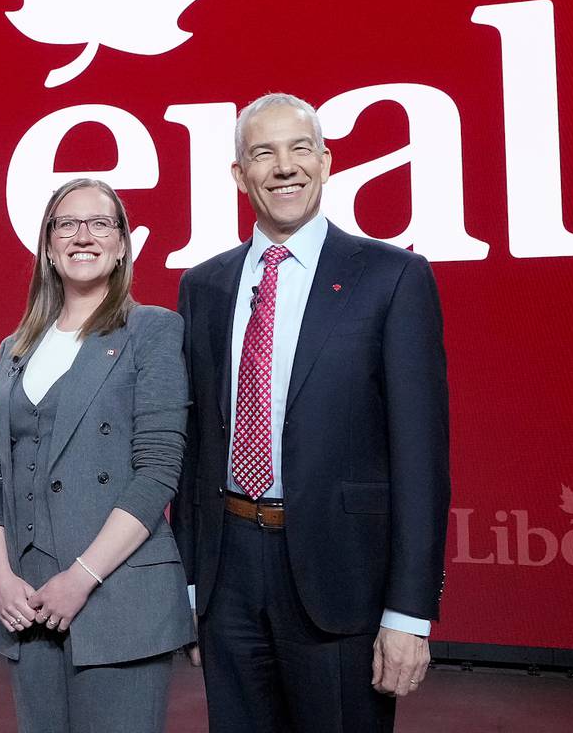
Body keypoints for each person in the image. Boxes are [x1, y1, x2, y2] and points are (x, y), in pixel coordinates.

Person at [172, 93, 451, 732]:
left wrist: (409, 614)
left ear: (325, 163)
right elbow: (192, 454)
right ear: (239, 176)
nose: (284, 167)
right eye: (262, 153)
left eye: (299, 149)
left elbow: (421, 461)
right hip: (228, 578)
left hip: (342, 578)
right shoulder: (204, 286)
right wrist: (190, 589)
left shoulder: (392, 277)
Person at [0, 178, 194, 733]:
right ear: (48, 245)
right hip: (28, 600)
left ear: (123, 244)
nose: (83, 236)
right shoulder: (16, 346)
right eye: (67, 224)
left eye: (100, 224)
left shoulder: (152, 330)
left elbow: (158, 471)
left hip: (118, 597)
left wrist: (82, 577)